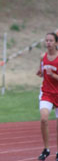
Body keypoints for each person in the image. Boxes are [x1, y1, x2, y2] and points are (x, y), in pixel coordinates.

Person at [36, 32, 58, 161]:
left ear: (56, 43)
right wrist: (40, 72)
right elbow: (41, 71)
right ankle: (46, 149)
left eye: (51, 40)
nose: (48, 43)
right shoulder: (42, 56)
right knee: (44, 119)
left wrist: (53, 75)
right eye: (47, 40)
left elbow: (51, 74)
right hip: (47, 92)